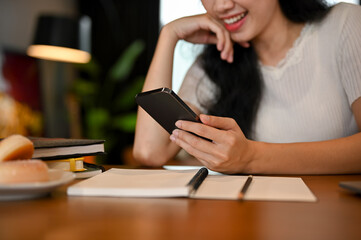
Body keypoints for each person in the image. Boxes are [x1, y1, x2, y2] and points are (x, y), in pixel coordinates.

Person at [133, 0, 361, 174]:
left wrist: (251, 157)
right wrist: (169, 35)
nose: (222, 5)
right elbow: (149, 151)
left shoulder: (344, 24)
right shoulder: (217, 62)